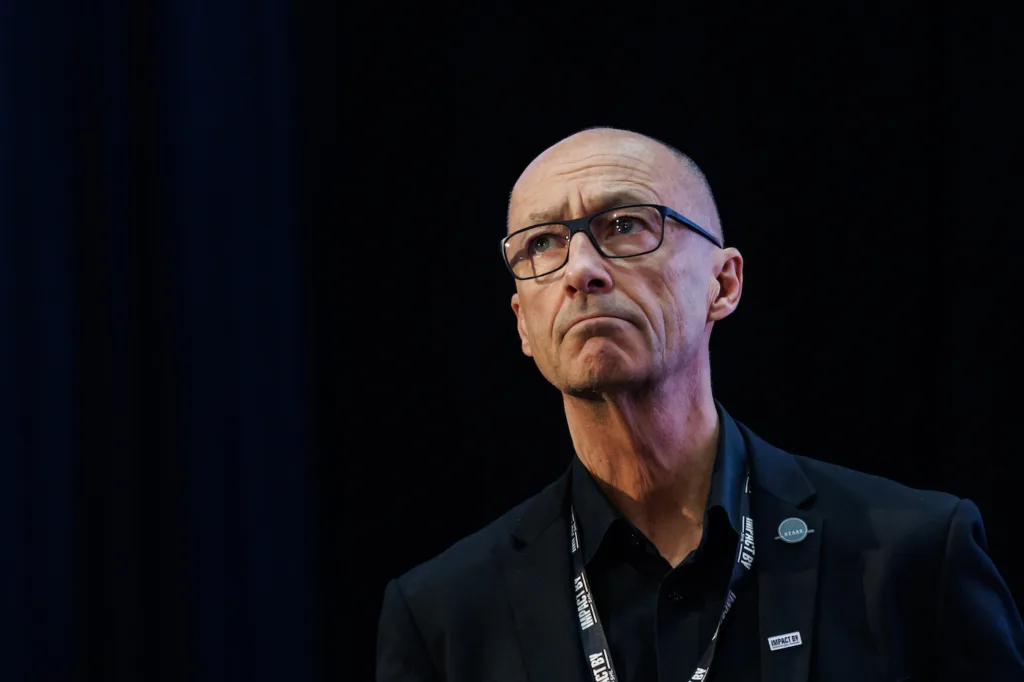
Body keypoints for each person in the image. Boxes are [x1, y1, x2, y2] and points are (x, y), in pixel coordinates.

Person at [375, 127, 1024, 681]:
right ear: (522, 321)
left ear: (723, 283)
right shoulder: (444, 614)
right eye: (542, 243)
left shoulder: (913, 558)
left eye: (624, 225)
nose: (579, 270)